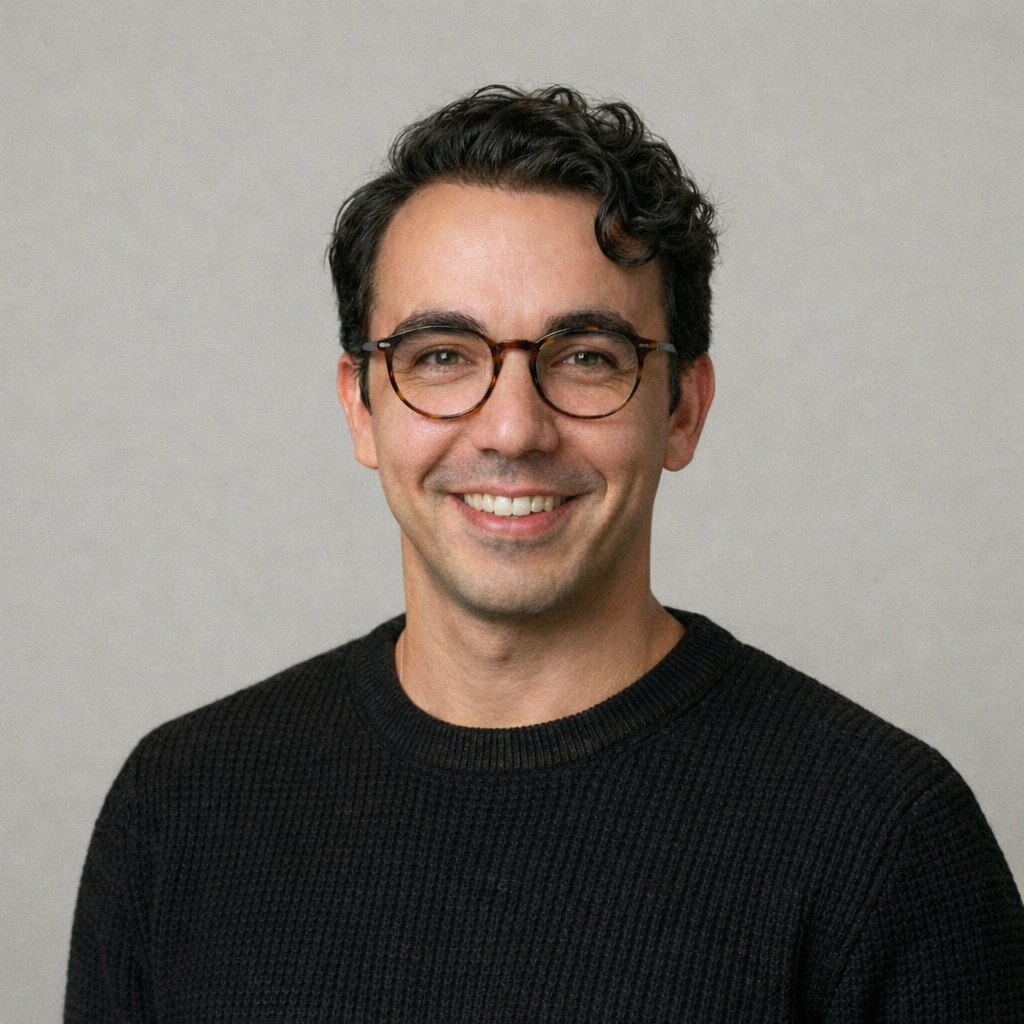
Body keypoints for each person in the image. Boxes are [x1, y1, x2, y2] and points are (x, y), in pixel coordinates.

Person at [65, 85, 1024, 1022]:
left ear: (683, 411)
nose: (513, 429)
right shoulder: (180, 807)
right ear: (361, 406)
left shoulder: (886, 840)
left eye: (587, 357)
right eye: (443, 356)